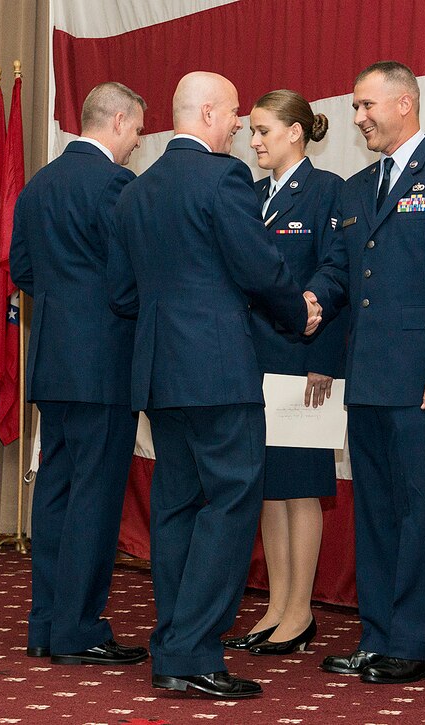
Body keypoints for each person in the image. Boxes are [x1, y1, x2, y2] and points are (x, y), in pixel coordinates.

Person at [108, 71, 321, 699]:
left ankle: (174, 642)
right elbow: (258, 264)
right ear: (206, 112)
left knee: (175, 509)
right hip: (218, 371)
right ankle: (194, 653)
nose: (236, 126)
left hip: (160, 375)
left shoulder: (135, 192)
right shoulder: (224, 178)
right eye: (232, 114)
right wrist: (297, 311)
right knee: (230, 506)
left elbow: (122, 294)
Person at [306, 61, 425, 685]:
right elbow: (339, 274)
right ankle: (378, 636)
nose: (357, 118)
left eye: (366, 106)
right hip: (368, 379)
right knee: (377, 511)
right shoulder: (357, 188)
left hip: (422, 382)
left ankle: (413, 645)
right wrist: (307, 300)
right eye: (355, 108)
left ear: (405, 103)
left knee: (418, 511)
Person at [10, 82, 149, 667]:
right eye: (138, 130)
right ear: (116, 121)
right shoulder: (117, 185)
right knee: (95, 496)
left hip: (53, 361)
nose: (138, 142)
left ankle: (45, 622)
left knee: (56, 494)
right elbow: (128, 278)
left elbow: (21, 269)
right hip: (103, 365)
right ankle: (79, 629)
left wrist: (68, 308)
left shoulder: (37, 184)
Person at [221, 90, 346, 657]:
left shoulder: (327, 192)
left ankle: (300, 612)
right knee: (269, 490)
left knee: (302, 491)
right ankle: (275, 604)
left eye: (264, 131)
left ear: (296, 133)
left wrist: (321, 354)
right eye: (250, 131)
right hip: (251, 363)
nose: (253, 142)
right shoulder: (247, 195)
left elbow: (338, 269)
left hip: (304, 358)